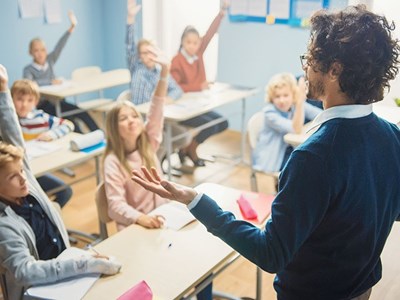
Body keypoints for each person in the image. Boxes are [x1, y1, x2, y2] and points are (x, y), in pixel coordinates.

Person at [132, 5, 400, 300]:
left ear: (334, 69)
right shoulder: (392, 136)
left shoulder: (314, 157)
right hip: (362, 287)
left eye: (311, 58)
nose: (306, 68)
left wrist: (196, 200)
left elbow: (271, 254)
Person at [0, 65, 121, 300]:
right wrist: (81, 265)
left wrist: (4, 90)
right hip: (39, 292)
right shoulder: (4, 226)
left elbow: (14, 137)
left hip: (66, 273)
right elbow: (25, 272)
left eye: (21, 171)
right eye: (13, 177)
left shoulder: (28, 185)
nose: (24, 178)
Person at [125, 0, 191, 164]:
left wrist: (169, 99)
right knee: (161, 139)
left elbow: (177, 90)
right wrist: (130, 18)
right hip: (141, 117)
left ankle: (157, 160)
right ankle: (152, 163)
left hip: (158, 117)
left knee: (184, 137)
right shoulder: (136, 67)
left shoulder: (159, 72)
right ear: (139, 56)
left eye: (150, 52)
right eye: (143, 53)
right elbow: (129, 45)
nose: (147, 56)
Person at [170, 4, 229, 166]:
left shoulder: (198, 53)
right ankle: (191, 150)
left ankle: (188, 148)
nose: (192, 46)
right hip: (184, 109)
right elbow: (177, 88)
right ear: (182, 42)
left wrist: (221, 13)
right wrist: (199, 86)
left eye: (196, 43)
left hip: (199, 104)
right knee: (210, 125)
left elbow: (210, 34)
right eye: (188, 42)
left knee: (222, 122)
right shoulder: (176, 61)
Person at [23, 10, 99, 134]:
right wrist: (50, 82)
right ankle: (83, 142)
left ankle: (101, 137)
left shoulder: (50, 60)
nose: (40, 53)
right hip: (44, 105)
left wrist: (71, 28)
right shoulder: (28, 69)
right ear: (30, 53)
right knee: (72, 122)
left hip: (58, 101)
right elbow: (31, 85)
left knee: (81, 112)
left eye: (42, 50)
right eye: (36, 50)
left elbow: (60, 45)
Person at [10, 79, 74, 208]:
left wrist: (50, 134)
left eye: (29, 100)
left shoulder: (40, 117)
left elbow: (68, 124)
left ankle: (45, 220)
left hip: (39, 170)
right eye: (20, 99)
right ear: (11, 99)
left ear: (36, 102)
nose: (24, 104)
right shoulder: (8, 121)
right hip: (21, 174)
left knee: (65, 191)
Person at [253, 73, 322, 173]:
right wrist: (300, 102)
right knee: (304, 168)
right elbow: (296, 129)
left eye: (286, 95)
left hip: (289, 150)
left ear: (293, 94)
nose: (282, 100)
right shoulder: (269, 112)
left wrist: (299, 103)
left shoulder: (294, 106)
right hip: (274, 158)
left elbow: (321, 115)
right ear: (271, 98)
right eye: (277, 96)